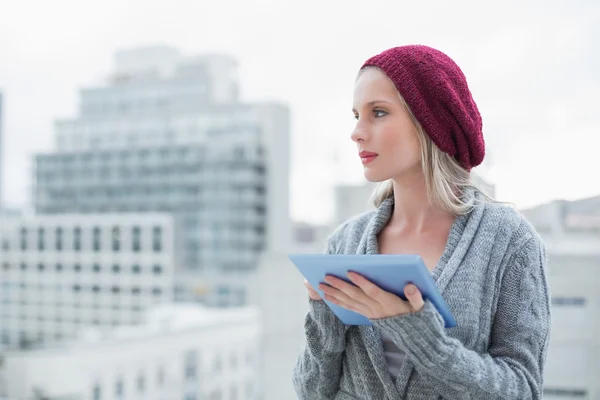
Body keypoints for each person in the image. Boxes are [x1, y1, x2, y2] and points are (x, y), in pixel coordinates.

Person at [292, 45, 551, 400]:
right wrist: (324, 317)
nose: (357, 132)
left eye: (378, 112)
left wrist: (425, 341)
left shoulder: (509, 241)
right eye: (356, 115)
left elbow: (523, 390)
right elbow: (310, 391)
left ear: (431, 123)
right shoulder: (345, 241)